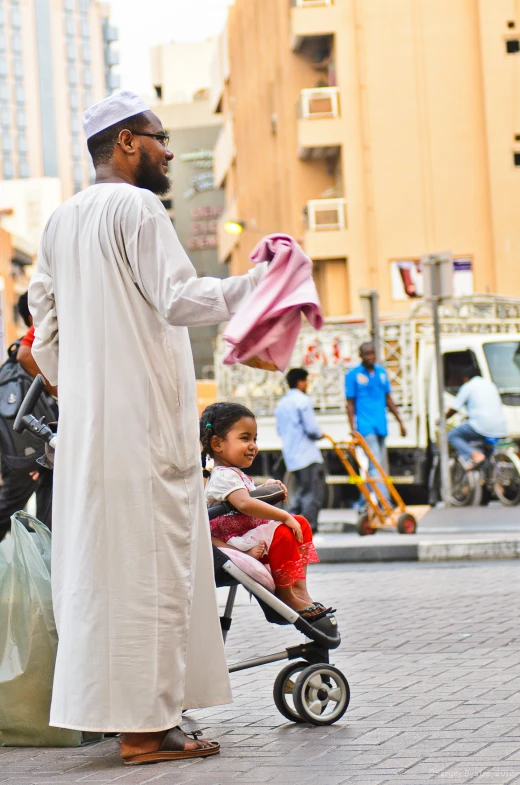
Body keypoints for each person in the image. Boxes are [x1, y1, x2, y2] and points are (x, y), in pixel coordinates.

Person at [28, 91, 268, 766]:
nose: (167, 150)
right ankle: (145, 732)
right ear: (127, 142)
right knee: (153, 574)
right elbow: (179, 298)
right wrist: (256, 282)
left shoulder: (60, 221)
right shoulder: (137, 207)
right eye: (159, 138)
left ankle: (129, 719)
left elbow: (43, 337)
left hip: (87, 436)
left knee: (103, 578)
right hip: (144, 431)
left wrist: (83, 388)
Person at [201, 402, 324, 618]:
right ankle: (286, 594)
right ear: (217, 444)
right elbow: (244, 504)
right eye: (245, 438)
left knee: (301, 524)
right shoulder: (222, 475)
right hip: (232, 539)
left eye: (254, 439)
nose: (253, 445)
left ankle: (300, 590)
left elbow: (247, 496)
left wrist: (264, 488)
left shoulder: (234, 474)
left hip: (245, 532)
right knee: (285, 529)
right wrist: (284, 515)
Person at [0, 293, 53, 541]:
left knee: (41, 516)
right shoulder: (32, 352)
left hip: (24, 453)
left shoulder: (14, 361)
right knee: (13, 511)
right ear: (33, 315)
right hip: (32, 452)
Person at [345, 342, 406, 509]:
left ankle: (367, 501)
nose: (370, 357)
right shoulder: (353, 375)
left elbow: (388, 399)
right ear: (361, 355)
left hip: (381, 425)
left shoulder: (381, 372)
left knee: (381, 466)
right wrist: (352, 428)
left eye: (372, 353)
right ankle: (384, 502)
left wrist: (400, 421)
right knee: (375, 464)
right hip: (366, 426)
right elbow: (350, 403)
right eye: (367, 354)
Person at [275, 368, 325, 534]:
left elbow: (280, 430)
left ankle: (289, 518)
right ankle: (309, 526)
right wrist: (320, 434)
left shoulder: (281, 404)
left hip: (291, 455)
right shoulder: (302, 401)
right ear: (301, 382)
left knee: (303, 489)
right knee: (312, 491)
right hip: (307, 454)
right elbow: (312, 429)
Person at [446, 365, 507, 469]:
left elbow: (455, 408)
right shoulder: (490, 385)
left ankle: (474, 454)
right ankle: (494, 482)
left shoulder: (468, 386)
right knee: (488, 454)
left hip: (481, 426)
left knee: (452, 435)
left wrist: (443, 419)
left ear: (466, 377)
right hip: (501, 427)